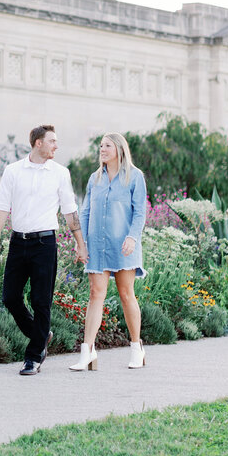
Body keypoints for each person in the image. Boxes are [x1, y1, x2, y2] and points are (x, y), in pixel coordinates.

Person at [0, 124, 88, 375]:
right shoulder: (13, 171)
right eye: (52, 141)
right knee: (10, 297)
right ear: (38, 143)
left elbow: (70, 210)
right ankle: (40, 335)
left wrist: (80, 243)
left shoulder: (60, 173)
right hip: (18, 242)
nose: (56, 145)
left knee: (41, 301)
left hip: (45, 244)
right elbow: (1, 207)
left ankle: (33, 357)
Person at [70, 132, 148, 372]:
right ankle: (88, 351)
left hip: (124, 245)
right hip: (97, 245)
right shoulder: (95, 178)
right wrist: (80, 242)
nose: (102, 149)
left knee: (126, 294)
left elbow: (139, 212)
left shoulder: (135, 177)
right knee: (95, 294)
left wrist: (132, 237)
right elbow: (85, 211)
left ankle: (136, 347)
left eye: (107, 146)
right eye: (100, 146)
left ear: (119, 149)